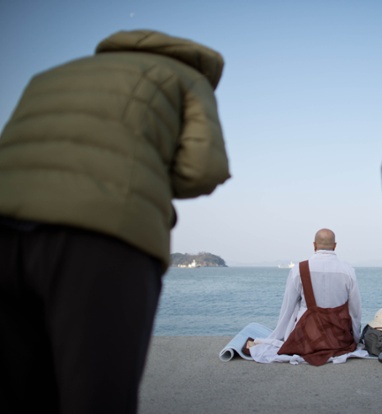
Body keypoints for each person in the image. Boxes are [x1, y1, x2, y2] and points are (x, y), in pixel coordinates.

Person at [0, 30, 230, 414]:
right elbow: (203, 169)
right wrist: (144, 178)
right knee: (97, 393)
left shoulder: (52, 75)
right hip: (103, 235)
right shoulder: (186, 76)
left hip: (6, 228)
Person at [249, 229, 362, 364]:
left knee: (298, 305)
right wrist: (355, 339)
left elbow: (287, 308)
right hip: (339, 340)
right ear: (335, 246)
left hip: (307, 340)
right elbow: (355, 311)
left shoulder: (299, 269)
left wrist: (281, 336)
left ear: (314, 245)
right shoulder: (348, 270)